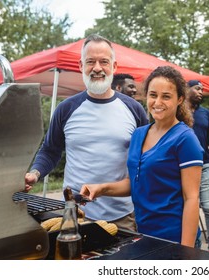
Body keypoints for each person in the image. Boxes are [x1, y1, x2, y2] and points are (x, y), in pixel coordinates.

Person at [24, 34, 149, 231]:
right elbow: (50, 150)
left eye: (103, 62)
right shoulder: (66, 109)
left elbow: (146, 161)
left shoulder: (134, 109)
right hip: (75, 214)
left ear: (114, 67)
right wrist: (35, 173)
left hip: (122, 216)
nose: (97, 68)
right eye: (90, 61)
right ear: (81, 66)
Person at [80, 66, 204, 247]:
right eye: (153, 95)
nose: (158, 102)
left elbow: (191, 198)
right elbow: (135, 183)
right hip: (144, 234)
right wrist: (101, 188)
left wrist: (186, 251)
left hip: (175, 238)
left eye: (166, 96)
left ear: (180, 99)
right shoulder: (138, 134)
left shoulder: (185, 139)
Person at [186, 79, 209, 253]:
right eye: (197, 88)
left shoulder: (205, 113)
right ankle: (195, 244)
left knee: (208, 206)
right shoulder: (178, 111)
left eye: (202, 89)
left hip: (204, 164)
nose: (201, 92)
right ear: (186, 89)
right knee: (189, 206)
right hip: (182, 166)